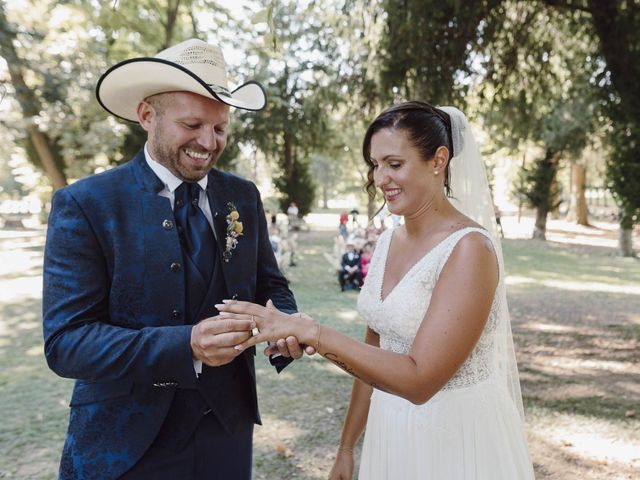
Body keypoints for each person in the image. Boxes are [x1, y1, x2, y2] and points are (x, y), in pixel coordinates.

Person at [218, 101, 535, 479]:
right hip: (392, 431)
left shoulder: (469, 249)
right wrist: (347, 447)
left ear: (438, 160)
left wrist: (314, 334)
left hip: (455, 436)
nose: (380, 177)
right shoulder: (387, 242)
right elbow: (373, 354)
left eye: (394, 164)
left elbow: (420, 381)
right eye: (374, 164)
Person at [42, 38, 313, 480]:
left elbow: (269, 284)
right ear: (147, 115)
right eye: (192, 124)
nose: (208, 142)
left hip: (227, 430)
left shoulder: (242, 196)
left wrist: (284, 321)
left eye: (220, 128)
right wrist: (185, 344)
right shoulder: (86, 203)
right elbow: (67, 343)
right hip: (126, 443)